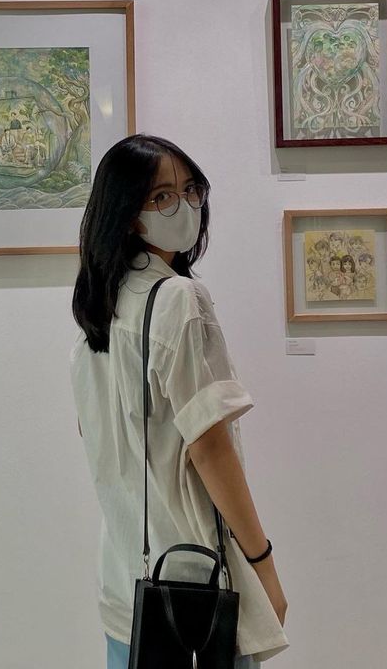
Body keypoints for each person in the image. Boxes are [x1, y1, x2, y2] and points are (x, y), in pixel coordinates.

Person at [70, 134, 289, 668]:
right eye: (161, 196)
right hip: (194, 589)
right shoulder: (180, 299)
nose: (185, 206)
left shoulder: (99, 315)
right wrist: (263, 565)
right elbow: (210, 450)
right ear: (127, 215)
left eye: (190, 189)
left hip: (127, 586)